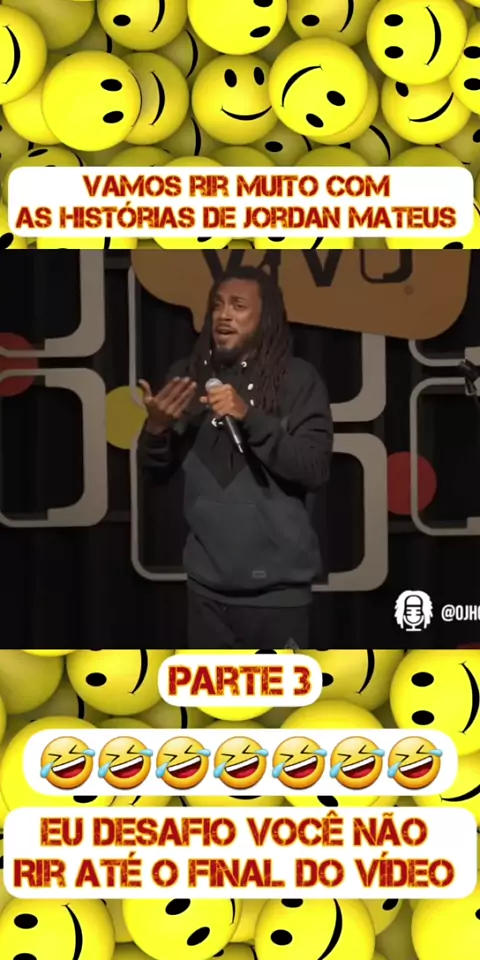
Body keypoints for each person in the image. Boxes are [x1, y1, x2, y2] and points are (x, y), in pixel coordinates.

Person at [137, 265, 333, 646]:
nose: (224, 315)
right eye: (217, 305)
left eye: (238, 306)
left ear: (265, 317)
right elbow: (155, 474)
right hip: (205, 592)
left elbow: (313, 469)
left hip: (278, 596)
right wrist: (156, 429)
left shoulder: (298, 380)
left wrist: (249, 416)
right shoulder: (187, 378)